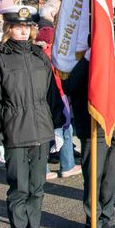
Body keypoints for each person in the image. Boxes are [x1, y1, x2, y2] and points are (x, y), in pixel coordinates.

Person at [0, 4, 64, 228]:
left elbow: (52, 96)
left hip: (40, 131)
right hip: (15, 133)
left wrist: (59, 126)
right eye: (18, 27)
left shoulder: (40, 57)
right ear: (8, 29)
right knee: (19, 191)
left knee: (37, 190)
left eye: (27, 27)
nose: (23, 31)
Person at [62, 26, 115, 228]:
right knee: (94, 177)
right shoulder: (79, 48)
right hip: (94, 124)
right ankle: (93, 223)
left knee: (112, 177)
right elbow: (69, 85)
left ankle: (107, 219)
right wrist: (88, 59)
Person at [35, 25, 82, 179]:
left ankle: (44, 168)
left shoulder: (36, 55)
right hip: (58, 95)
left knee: (46, 132)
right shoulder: (54, 55)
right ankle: (67, 164)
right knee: (65, 129)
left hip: (42, 99)